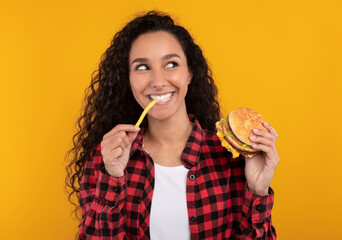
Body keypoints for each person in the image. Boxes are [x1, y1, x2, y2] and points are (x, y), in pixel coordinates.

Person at [66, 10, 279, 240]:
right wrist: (112, 177)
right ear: (127, 79)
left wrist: (258, 191)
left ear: (189, 73)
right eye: (142, 67)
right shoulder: (105, 159)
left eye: (171, 64)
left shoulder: (231, 157)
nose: (158, 82)